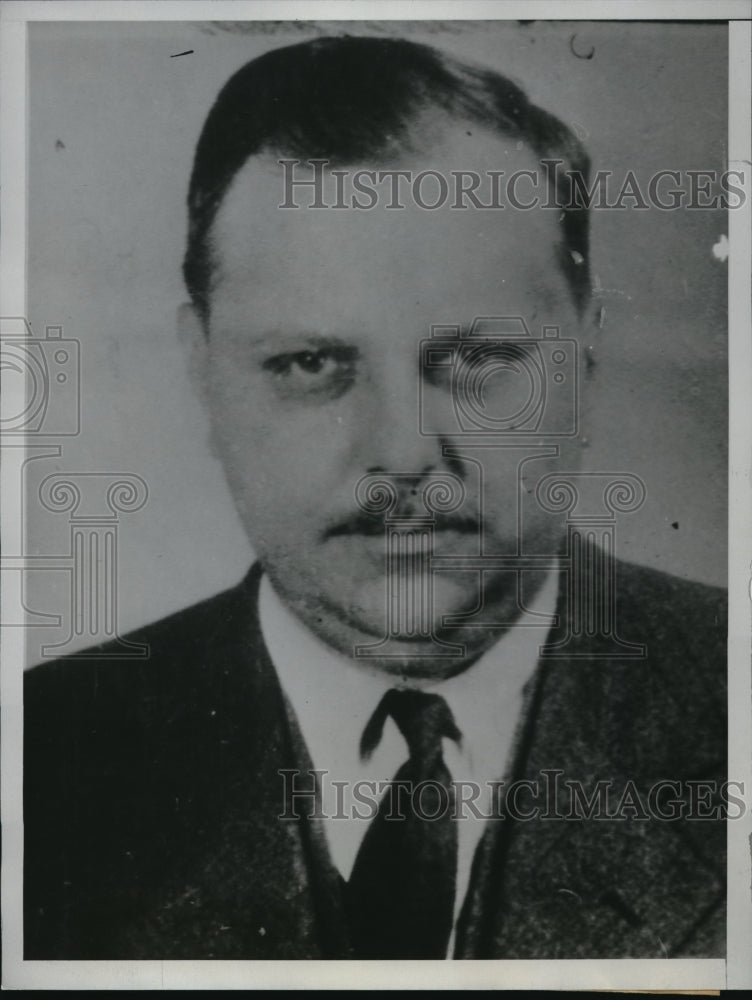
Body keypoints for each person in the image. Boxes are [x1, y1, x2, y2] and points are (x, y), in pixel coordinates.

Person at [24, 35, 727, 960]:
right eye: (311, 364)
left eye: (476, 358)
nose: (401, 453)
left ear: (586, 354)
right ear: (203, 370)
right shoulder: (41, 762)